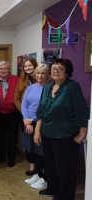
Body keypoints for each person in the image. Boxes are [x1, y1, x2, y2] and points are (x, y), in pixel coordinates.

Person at [34, 59, 89, 199]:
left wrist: (82, 133)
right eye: (53, 69)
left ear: (66, 72)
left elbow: (82, 110)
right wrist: (37, 131)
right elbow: (40, 111)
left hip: (65, 135)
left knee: (64, 168)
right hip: (47, 134)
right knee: (50, 165)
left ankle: (64, 195)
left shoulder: (72, 87)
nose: (55, 72)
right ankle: (52, 188)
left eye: (59, 69)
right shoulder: (47, 87)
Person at [22, 64, 50, 190]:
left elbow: (46, 108)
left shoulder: (49, 88)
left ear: (48, 75)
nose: (40, 75)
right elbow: (24, 104)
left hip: (41, 122)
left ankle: (43, 177)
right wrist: (26, 121)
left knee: (41, 151)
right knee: (31, 149)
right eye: (38, 73)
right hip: (28, 122)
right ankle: (38, 174)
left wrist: (32, 120)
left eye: (43, 73)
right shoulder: (30, 87)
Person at [0, 61, 20, 167]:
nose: (3, 71)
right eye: (1, 69)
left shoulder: (17, 80)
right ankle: (1, 156)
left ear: (9, 69)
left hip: (13, 114)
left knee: (12, 137)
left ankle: (11, 158)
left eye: (5, 69)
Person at [14, 57, 38, 176]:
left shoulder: (41, 79)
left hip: (39, 117)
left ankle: (41, 167)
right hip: (25, 117)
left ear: (35, 66)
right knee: (28, 141)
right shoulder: (22, 80)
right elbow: (17, 99)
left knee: (39, 141)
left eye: (30, 66)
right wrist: (25, 116)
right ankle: (32, 165)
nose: (28, 68)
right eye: (26, 66)